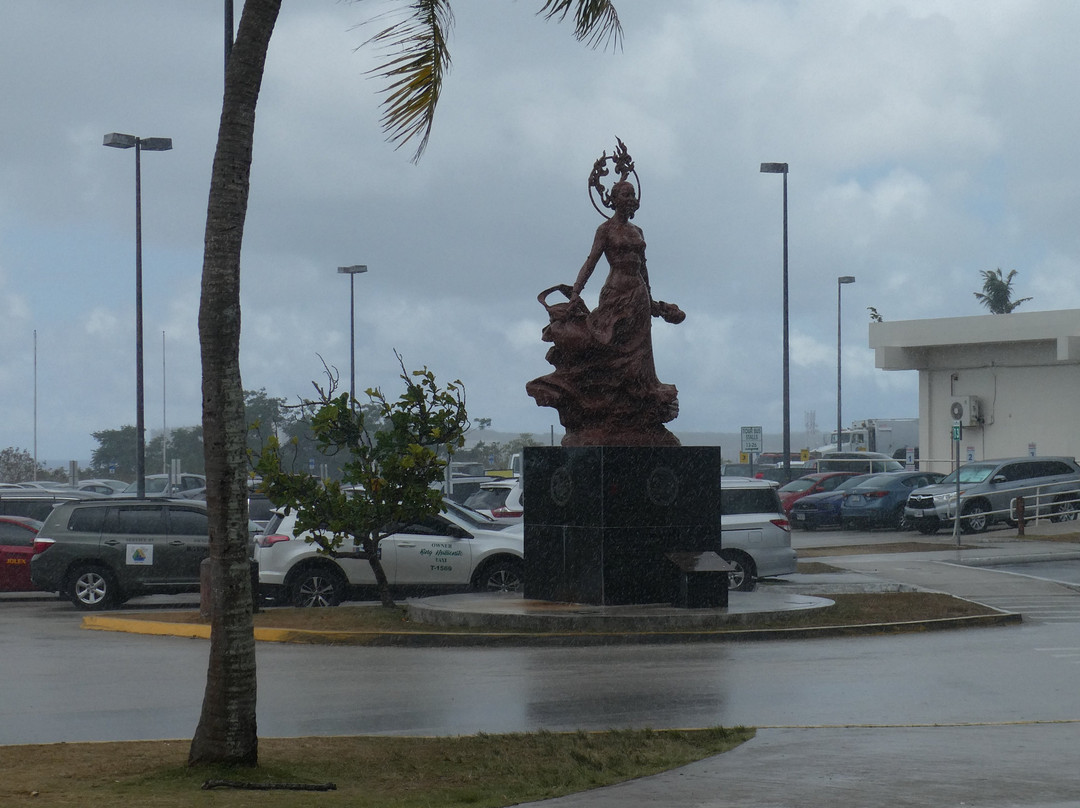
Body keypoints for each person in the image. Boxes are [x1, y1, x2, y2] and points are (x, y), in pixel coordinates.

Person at [527, 171, 684, 446]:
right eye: (625, 194)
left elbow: (643, 267)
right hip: (615, 294)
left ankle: (636, 403)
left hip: (638, 297)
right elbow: (591, 262)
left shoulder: (638, 231)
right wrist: (576, 292)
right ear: (613, 200)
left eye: (633, 194)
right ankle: (599, 399)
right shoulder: (606, 230)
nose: (631, 198)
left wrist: (653, 302)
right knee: (607, 345)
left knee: (639, 354)